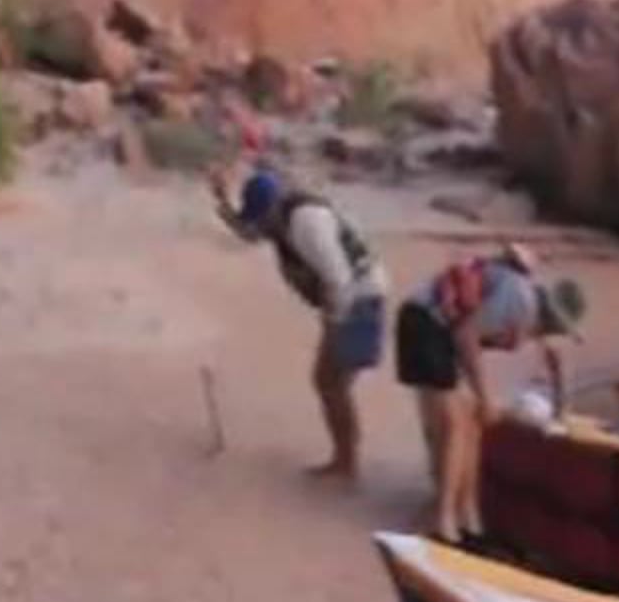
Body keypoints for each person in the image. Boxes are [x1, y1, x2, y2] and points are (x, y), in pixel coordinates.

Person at [395, 246, 585, 543]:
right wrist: (484, 397)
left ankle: (468, 515)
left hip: (437, 332)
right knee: (457, 426)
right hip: (424, 325)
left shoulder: (522, 306)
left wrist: (557, 385)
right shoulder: (520, 301)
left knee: (470, 423)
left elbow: (469, 335)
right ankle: (444, 520)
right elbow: (466, 337)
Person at [211, 165, 388, 480]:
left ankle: (346, 463)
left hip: (359, 298)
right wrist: (223, 201)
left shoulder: (307, 222)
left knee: (331, 383)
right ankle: (346, 459)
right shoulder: (281, 217)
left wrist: (333, 324)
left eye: (262, 217)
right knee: (331, 383)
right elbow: (250, 232)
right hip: (348, 300)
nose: (262, 226)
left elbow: (339, 278)